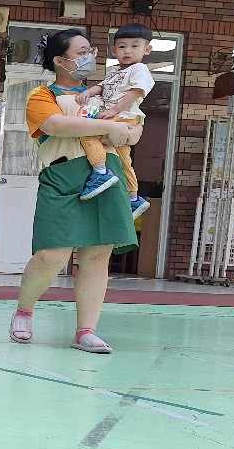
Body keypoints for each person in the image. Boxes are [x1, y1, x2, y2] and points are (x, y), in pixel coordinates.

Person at [9, 30, 141, 354]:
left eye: (91, 50)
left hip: (108, 175)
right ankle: (24, 311)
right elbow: (55, 125)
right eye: (82, 52)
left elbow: (134, 130)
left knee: (97, 255)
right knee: (51, 253)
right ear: (59, 60)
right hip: (63, 176)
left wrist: (122, 130)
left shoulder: (108, 93)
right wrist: (109, 127)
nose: (90, 56)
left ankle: (86, 330)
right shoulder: (42, 95)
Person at [77, 23, 155, 219]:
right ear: (114, 51)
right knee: (123, 159)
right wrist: (88, 92)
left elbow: (136, 91)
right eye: (122, 46)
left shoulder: (139, 69)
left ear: (147, 50)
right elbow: (102, 87)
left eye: (134, 46)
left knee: (87, 134)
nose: (127, 51)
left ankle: (100, 172)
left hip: (124, 115)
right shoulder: (115, 72)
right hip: (118, 116)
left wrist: (114, 110)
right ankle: (133, 197)